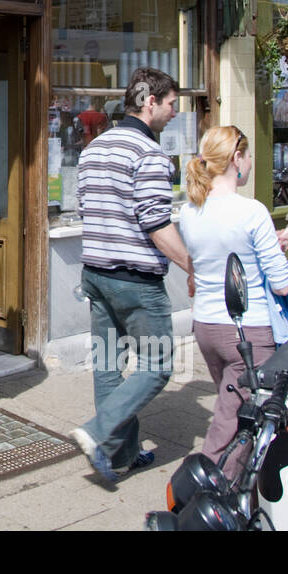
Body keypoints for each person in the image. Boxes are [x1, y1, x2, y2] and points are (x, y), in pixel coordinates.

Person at [72, 67, 194, 483]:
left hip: (95, 272)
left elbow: (86, 210)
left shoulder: (93, 150)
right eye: (171, 104)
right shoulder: (150, 154)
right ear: (149, 102)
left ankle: (118, 456)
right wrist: (194, 267)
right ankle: (97, 431)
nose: (175, 112)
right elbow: (157, 223)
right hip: (136, 282)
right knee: (158, 365)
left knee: (108, 364)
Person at [178, 125, 288, 481]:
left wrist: (265, 247)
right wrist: (276, 250)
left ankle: (242, 485)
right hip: (248, 334)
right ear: (236, 159)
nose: (249, 164)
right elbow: (282, 285)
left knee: (234, 409)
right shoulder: (252, 211)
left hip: (207, 328)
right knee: (235, 423)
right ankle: (207, 492)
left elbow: (218, 257)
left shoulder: (188, 213)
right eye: (247, 157)